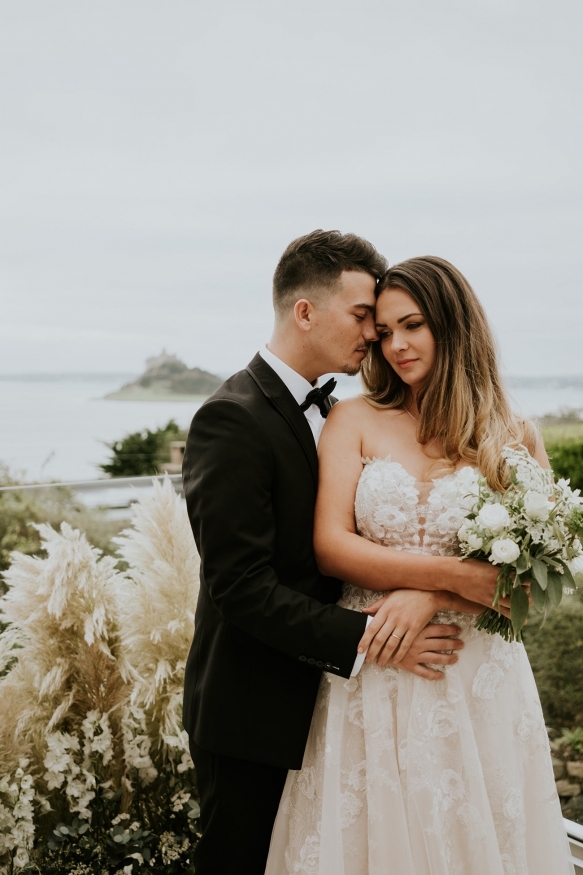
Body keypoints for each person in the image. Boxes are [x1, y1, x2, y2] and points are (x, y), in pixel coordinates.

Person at [182, 233, 502, 875]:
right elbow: (241, 586)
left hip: (346, 702)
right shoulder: (231, 418)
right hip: (258, 706)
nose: (377, 339)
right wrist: (377, 636)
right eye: (365, 318)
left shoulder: (336, 408)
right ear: (306, 312)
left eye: (390, 325)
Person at [265, 256, 573, 875]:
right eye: (383, 331)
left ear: (454, 324)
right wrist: (447, 577)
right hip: (375, 673)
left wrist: (431, 600)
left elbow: (538, 590)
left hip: (481, 679)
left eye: (413, 325)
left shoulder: (513, 435)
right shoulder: (353, 418)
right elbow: (331, 545)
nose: (397, 345)